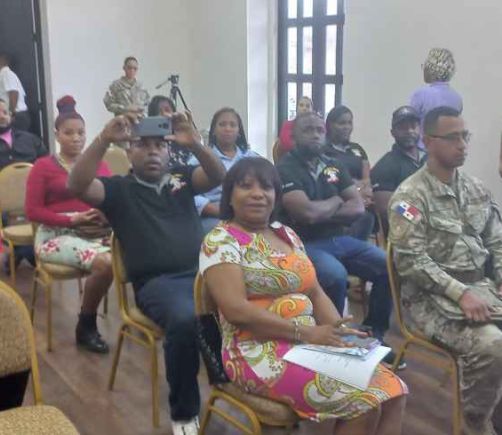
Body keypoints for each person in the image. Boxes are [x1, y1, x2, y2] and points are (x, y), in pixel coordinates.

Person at [200, 157, 407, 435]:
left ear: (276, 195)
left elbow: (314, 290)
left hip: (308, 342)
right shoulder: (221, 240)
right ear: (229, 196)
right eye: (246, 186)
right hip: (255, 351)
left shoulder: (286, 234)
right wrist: (307, 333)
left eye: (266, 187)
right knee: (365, 403)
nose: (258, 194)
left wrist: (340, 333)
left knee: (394, 389)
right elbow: (236, 310)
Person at [67, 111, 226, 435]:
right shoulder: (117, 189)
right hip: (158, 284)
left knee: (255, 301)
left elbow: (218, 175)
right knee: (186, 319)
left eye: (159, 145)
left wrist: (194, 143)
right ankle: (185, 416)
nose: (152, 151)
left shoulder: (182, 179)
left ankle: (246, 389)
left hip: (203, 276)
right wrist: (103, 139)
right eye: (142, 145)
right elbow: (77, 185)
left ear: (168, 151)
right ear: (129, 151)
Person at [389, 106, 502, 435]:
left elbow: (496, 241)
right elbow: (411, 261)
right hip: (429, 299)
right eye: (453, 137)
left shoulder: (476, 189)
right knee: (492, 345)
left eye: (465, 136)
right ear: (428, 142)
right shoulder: (410, 197)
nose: (462, 145)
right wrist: (461, 293)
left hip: (481, 288)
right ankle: (473, 422)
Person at [277, 112, 403, 368]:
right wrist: (337, 200)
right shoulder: (284, 168)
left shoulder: (332, 165)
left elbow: (357, 207)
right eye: (308, 130)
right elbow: (306, 214)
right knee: (335, 274)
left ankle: (372, 333)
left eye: (319, 130)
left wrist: (324, 209)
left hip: (338, 239)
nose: (315, 135)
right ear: (294, 136)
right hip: (301, 243)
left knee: (389, 265)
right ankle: (331, 340)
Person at [25, 96, 113, 353]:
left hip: (94, 232)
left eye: (81, 133)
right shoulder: (43, 166)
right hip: (55, 235)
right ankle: (86, 325)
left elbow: (111, 198)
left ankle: (147, 315)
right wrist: (71, 219)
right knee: (106, 263)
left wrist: (104, 213)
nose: (76, 138)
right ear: (57, 135)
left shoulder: (99, 164)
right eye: (69, 133)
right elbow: (32, 211)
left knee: (137, 250)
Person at [190, 107, 259, 234]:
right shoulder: (200, 158)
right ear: (213, 130)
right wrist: (213, 209)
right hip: (214, 214)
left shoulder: (252, 158)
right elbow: (187, 191)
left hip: (248, 211)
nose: (227, 129)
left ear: (239, 131)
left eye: (233, 125)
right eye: (222, 124)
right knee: (233, 236)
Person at [0, 98, 47, 271]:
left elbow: (47, 165)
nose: (1, 116)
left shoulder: (30, 139)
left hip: (34, 199)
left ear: (11, 116)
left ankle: (20, 252)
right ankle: (26, 251)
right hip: (4, 206)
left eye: (4, 112)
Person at [370, 106, 426, 236]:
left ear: (420, 129)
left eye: (413, 126)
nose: (409, 131)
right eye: (403, 128)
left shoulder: (431, 159)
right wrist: (420, 219)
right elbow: (392, 206)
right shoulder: (385, 166)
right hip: (406, 234)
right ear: (393, 132)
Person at [324, 105, 375, 240]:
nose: (346, 127)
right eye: (341, 123)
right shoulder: (324, 150)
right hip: (338, 198)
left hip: (360, 199)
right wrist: (355, 192)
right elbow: (331, 179)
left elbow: (366, 178)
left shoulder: (357, 149)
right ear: (330, 125)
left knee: (368, 216)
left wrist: (365, 192)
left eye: (349, 123)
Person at [409, 48, 462, 149]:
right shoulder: (457, 98)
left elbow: (409, 126)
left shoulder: (420, 95)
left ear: (431, 68)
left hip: (424, 151)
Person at [148, 95, 192, 167]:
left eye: (167, 110)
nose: (164, 114)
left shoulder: (183, 138)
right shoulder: (147, 141)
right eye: (158, 112)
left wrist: (194, 143)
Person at [0, 53, 30, 131]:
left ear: (3, 60)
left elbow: (13, 93)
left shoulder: (6, 73)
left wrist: (11, 114)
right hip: (15, 115)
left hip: (16, 115)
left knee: (15, 138)